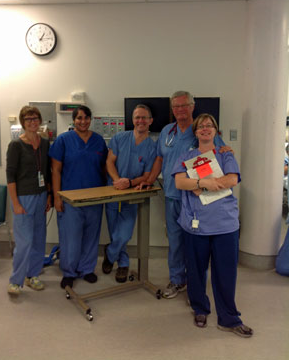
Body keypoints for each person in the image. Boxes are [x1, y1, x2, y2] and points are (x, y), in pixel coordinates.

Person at [172, 113, 253, 337]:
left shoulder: (225, 154)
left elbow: (232, 180)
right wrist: (201, 182)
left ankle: (228, 317)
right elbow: (180, 181)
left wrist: (200, 186)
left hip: (225, 224)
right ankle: (200, 308)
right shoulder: (187, 156)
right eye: (201, 127)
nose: (205, 129)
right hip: (196, 224)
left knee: (226, 272)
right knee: (196, 270)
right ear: (195, 132)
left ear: (216, 131)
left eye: (210, 126)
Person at [140, 91, 225, 299]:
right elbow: (160, 159)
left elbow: (219, 153)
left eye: (183, 105)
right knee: (176, 241)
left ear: (192, 107)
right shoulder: (167, 131)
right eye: (175, 106)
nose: (179, 110)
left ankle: (196, 286)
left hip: (195, 197)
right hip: (171, 195)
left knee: (196, 243)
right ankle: (177, 280)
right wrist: (150, 179)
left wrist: (226, 151)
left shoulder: (201, 130)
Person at [49, 105, 108, 289]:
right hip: (69, 198)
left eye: (86, 118)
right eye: (79, 118)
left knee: (91, 235)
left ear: (91, 119)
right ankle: (69, 271)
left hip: (94, 198)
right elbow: (56, 170)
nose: (83, 121)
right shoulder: (63, 140)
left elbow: (105, 168)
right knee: (70, 237)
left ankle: (87, 269)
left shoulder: (98, 141)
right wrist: (57, 197)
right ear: (73, 120)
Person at [102, 104, 157, 283]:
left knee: (124, 233)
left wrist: (130, 183)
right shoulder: (119, 138)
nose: (140, 121)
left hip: (133, 193)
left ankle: (110, 255)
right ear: (132, 120)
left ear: (150, 121)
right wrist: (118, 180)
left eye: (144, 117)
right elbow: (109, 162)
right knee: (114, 231)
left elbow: (147, 175)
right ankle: (123, 264)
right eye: (137, 117)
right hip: (114, 190)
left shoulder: (152, 147)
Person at [6, 105, 52, 296]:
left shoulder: (45, 143)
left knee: (39, 240)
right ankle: (16, 280)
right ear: (23, 122)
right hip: (23, 198)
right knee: (24, 242)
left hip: (41, 196)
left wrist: (49, 195)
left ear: (39, 121)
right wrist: (15, 203)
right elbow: (10, 176)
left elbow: (47, 171)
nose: (32, 122)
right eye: (28, 119)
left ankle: (32, 275)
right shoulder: (16, 145)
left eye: (35, 118)